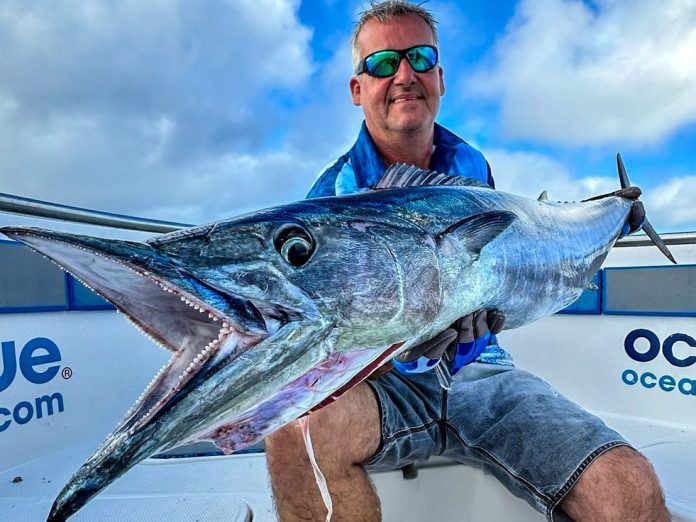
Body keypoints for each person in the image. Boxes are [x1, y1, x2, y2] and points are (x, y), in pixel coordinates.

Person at [266, 2, 669, 520]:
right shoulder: (328, 204)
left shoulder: (472, 167)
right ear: (357, 88)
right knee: (293, 433)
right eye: (383, 63)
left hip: (482, 370)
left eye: (420, 57)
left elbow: (501, 271)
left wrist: (611, 216)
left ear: (440, 77)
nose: (404, 74)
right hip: (384, 385)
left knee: (629, 486)